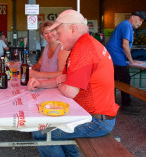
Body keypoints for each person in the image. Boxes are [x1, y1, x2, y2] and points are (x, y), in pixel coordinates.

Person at [28, 9, 119, 157]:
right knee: (53, 128)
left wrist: (60, 84)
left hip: (95, 121)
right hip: (92, 115)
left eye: (58, 32)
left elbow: (69, 91)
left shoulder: (83, 48)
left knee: (41, 133)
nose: (56, 38)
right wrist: (40, 83)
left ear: (73, 29)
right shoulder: (84, 44)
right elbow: (63, 78)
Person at [106, 10, 145, 114]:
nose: (140, 23)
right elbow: (125, 44)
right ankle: (126, 106)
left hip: (111, 57)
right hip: (115, 57)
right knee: (125, 79)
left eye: (142, 21)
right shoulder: (127, 25)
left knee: (113, 81)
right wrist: (131, 60)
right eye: (140, 19)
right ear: (132, 17)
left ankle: (109, 103)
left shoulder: (124, 25)